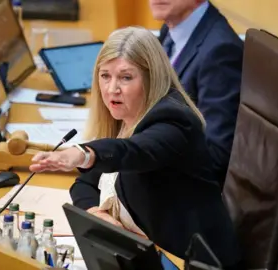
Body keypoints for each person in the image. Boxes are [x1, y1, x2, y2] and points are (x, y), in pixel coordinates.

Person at [29, 27, 242, 268]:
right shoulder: (125, 119)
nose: (112, 89)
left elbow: (135, 151)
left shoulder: (174, 120)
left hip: (187, 262)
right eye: (105, 76)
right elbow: (86, 183)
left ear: (151, 78)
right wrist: (95, 214)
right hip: (145, 254)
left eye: (126, 77)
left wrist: (83, 153)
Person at [150, 0, 244, 185]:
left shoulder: (220, 51)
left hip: (182, 188)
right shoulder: (171, 29)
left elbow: (216, 154)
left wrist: (142, 157)